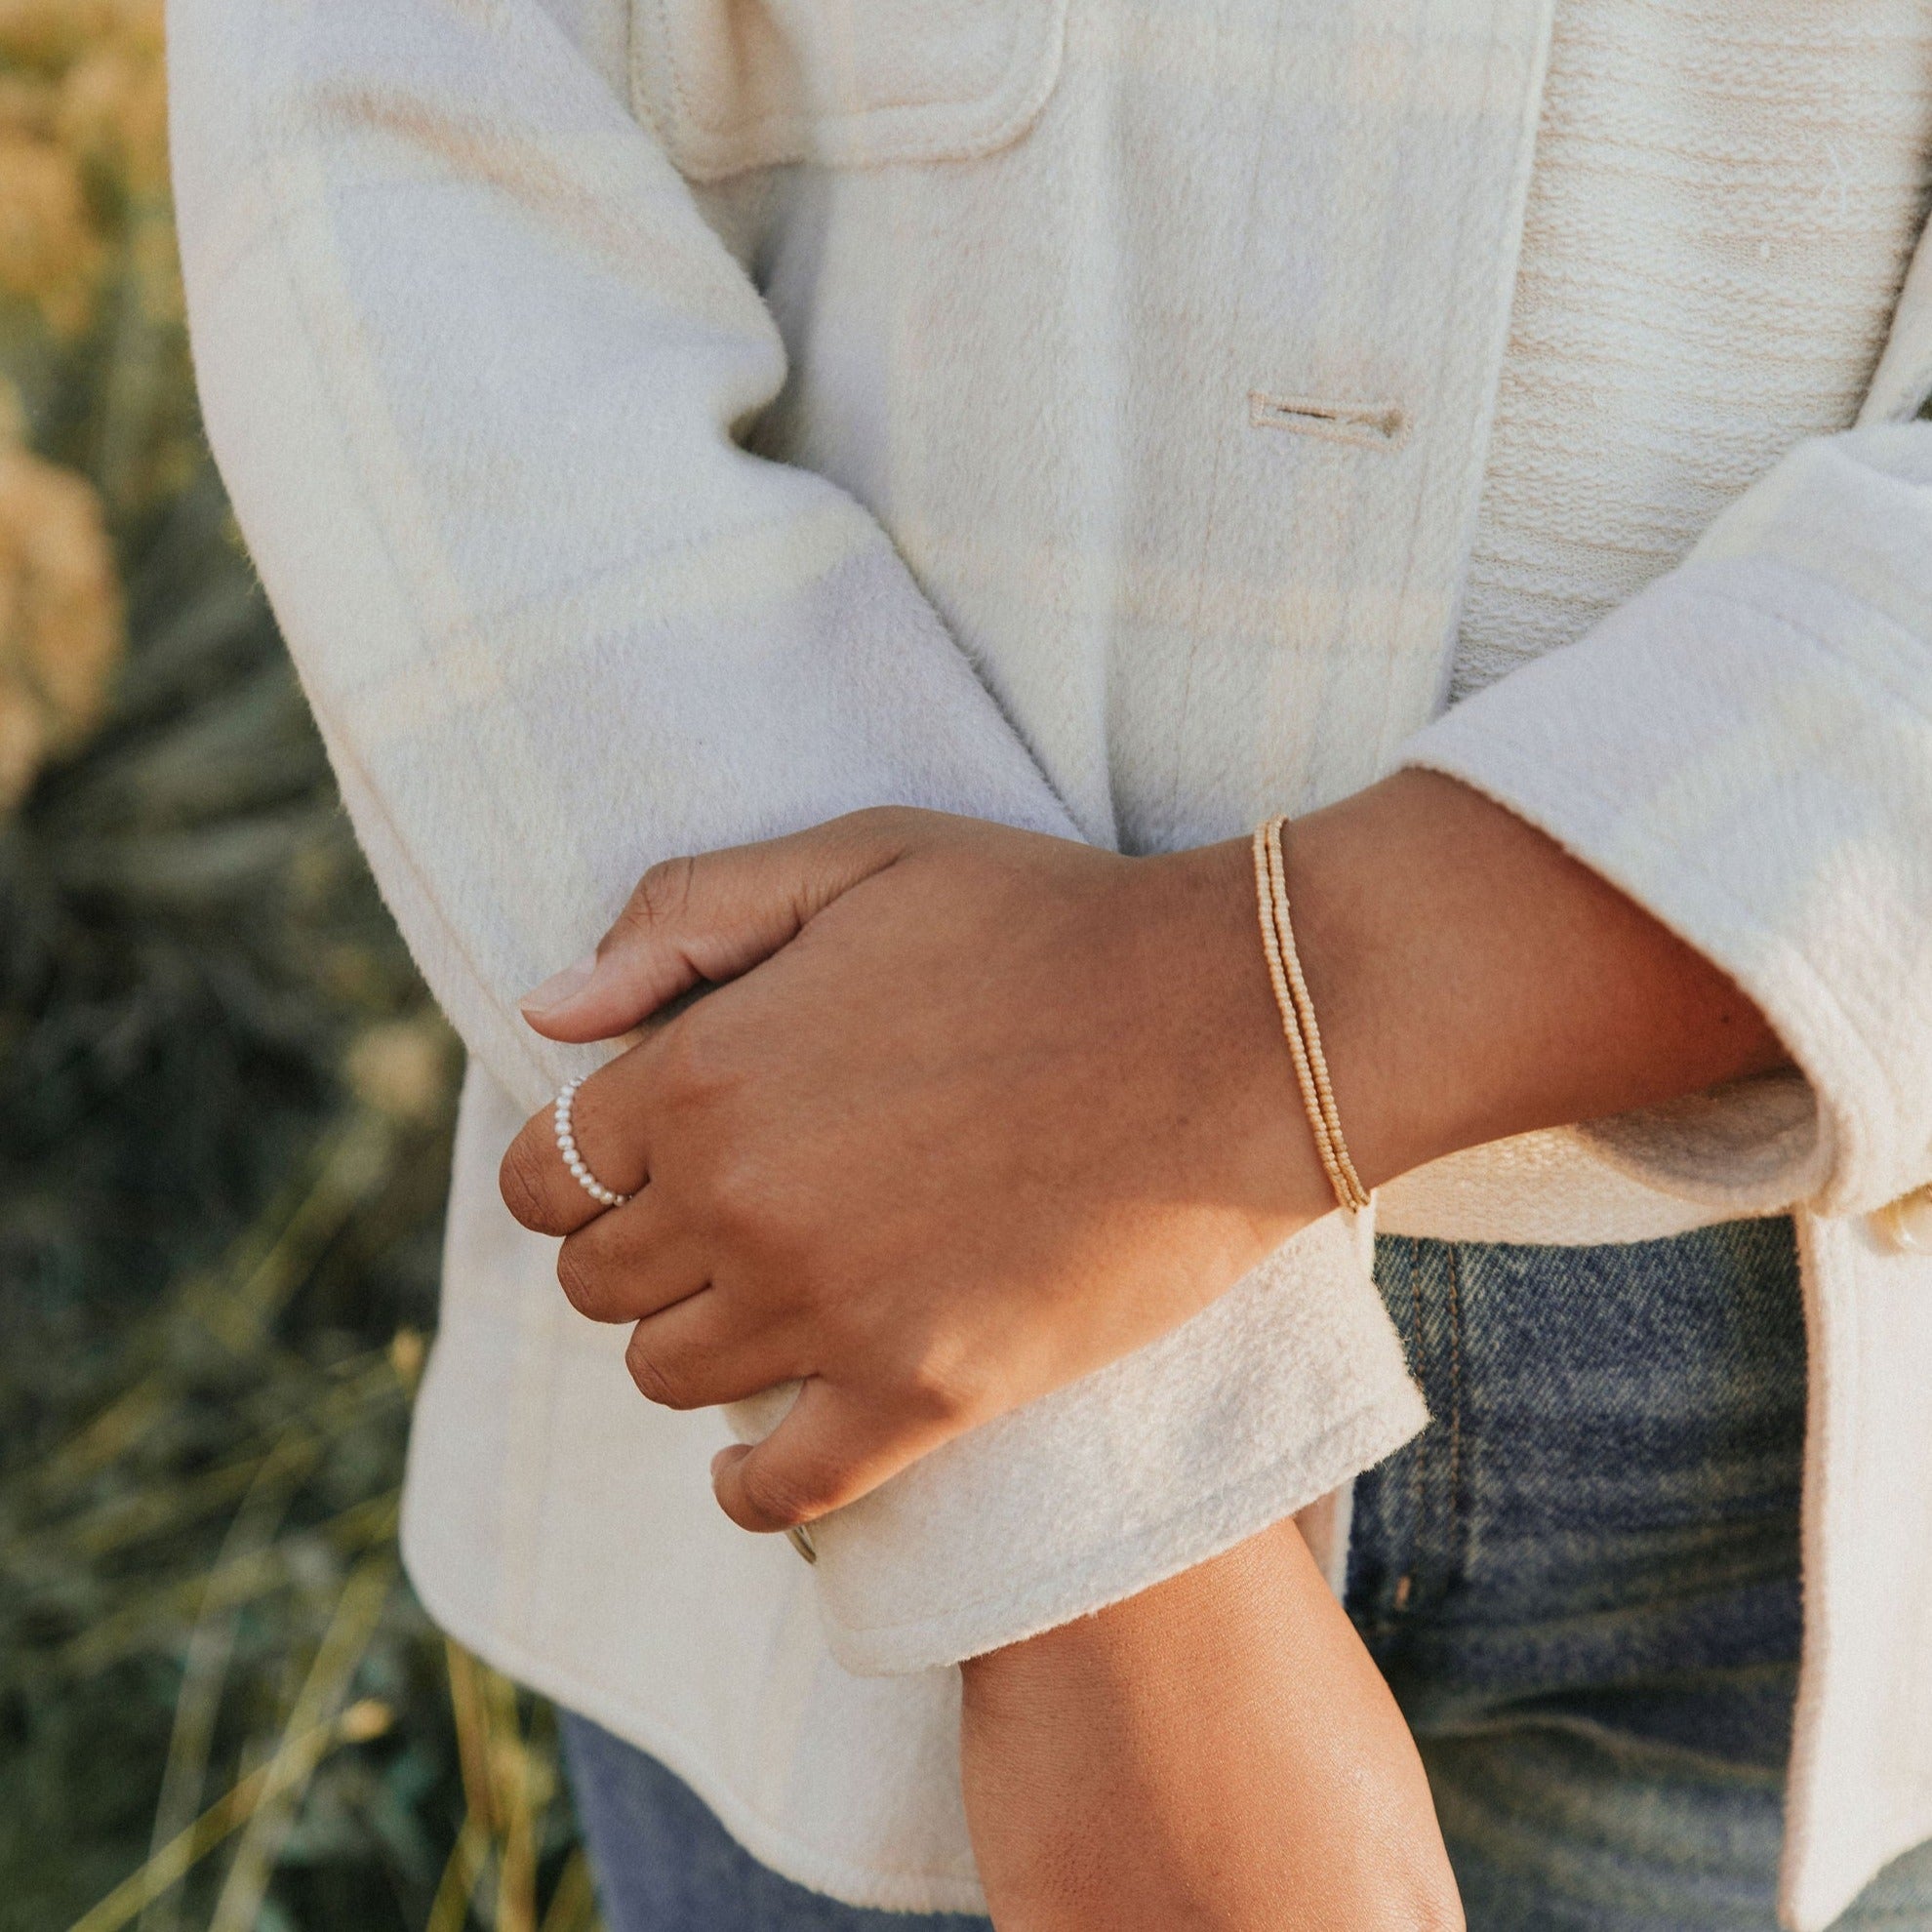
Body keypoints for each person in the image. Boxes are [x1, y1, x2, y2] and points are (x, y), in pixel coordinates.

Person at [167, 0, 1932, 1924]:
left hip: (1816, 1429)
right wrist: (1097, 1534)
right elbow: (394, 141)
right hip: (823, 1377)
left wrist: (1247, 1042)